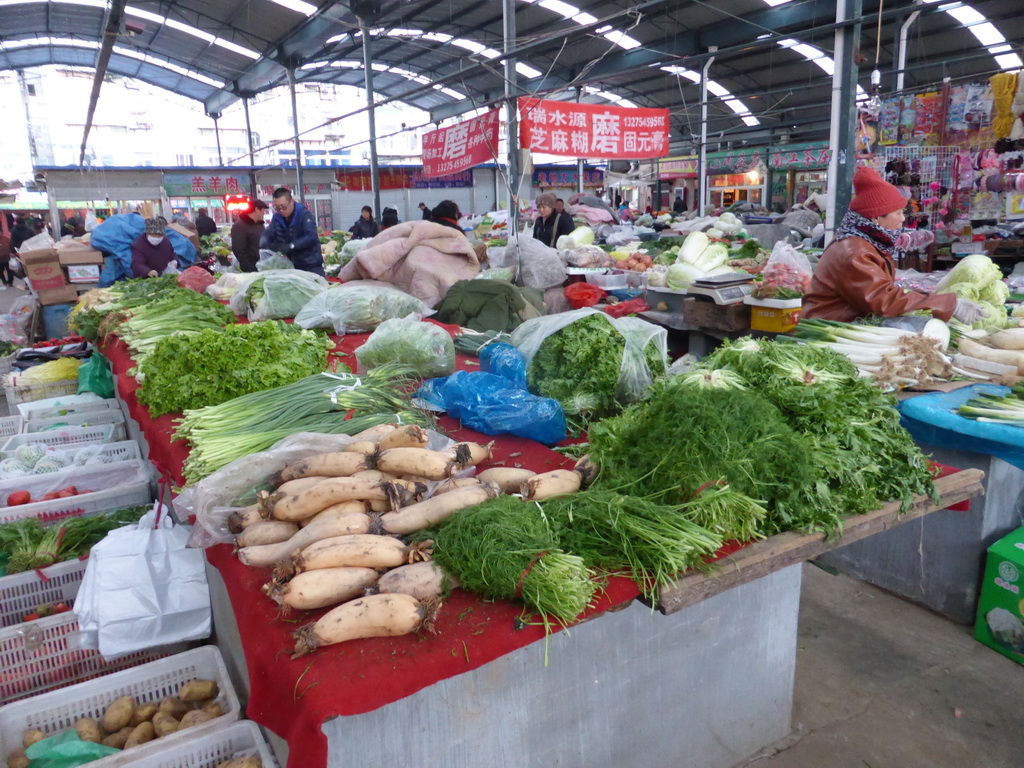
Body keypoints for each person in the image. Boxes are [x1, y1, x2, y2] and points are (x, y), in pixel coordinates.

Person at [803, 167, 980, 324]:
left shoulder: (866, 239)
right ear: (876, 218)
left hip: (849, 321)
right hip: (829, 329)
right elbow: (882, 300)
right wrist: (947, 303)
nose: (903, 218)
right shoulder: (854, 251)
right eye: (897, 212)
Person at [260, 187, 325, 275]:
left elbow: (311, 237)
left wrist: (291, 246)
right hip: (291, 266)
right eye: (277, 208)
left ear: (291, 202)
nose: (281, 210)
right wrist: (264, 242)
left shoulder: (304, 215)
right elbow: (269, 232)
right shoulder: (277, 218)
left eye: (283, 207)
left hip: (310, 265)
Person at [231, 199, 269, 273]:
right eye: (263, 211)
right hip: (251, 269)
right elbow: (239, 250)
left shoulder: (259, 224)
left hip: (262, 265)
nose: (264, 213)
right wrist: (251, 269)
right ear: (257, 209)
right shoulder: (239, 226)